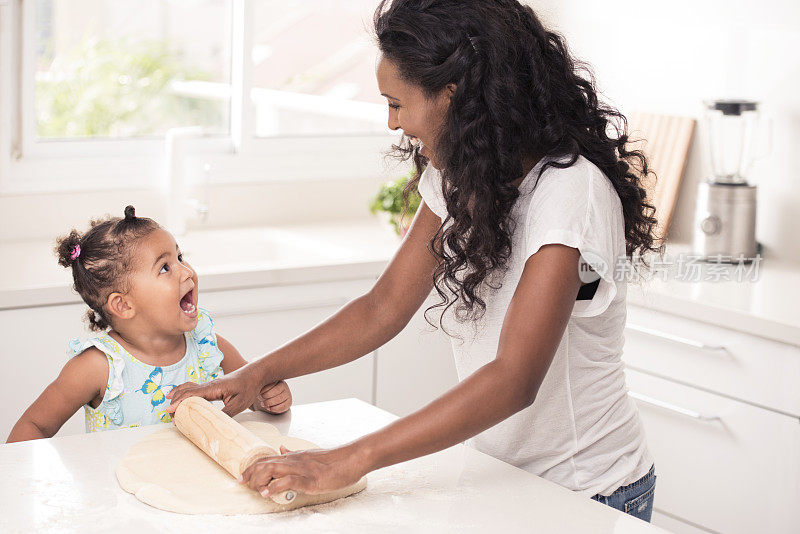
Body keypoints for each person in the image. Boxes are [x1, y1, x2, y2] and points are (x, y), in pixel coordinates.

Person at [168, 0, 662, 522]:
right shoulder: (464, 178)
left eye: (397, 104)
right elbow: (383, 307)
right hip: (499, 478)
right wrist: (258, 372)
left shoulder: (570, 192)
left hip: (587, 492)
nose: (391, 122)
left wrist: (349, 459)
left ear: (456, 96)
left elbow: (514, 378)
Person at [6, 206, 292, 442]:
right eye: (165, 267)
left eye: (180, 257)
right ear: (124, 305)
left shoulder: (208, 345)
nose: (186, 271)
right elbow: (35, 426)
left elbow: (251, 392)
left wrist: (269, 397)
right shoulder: (98, 366)